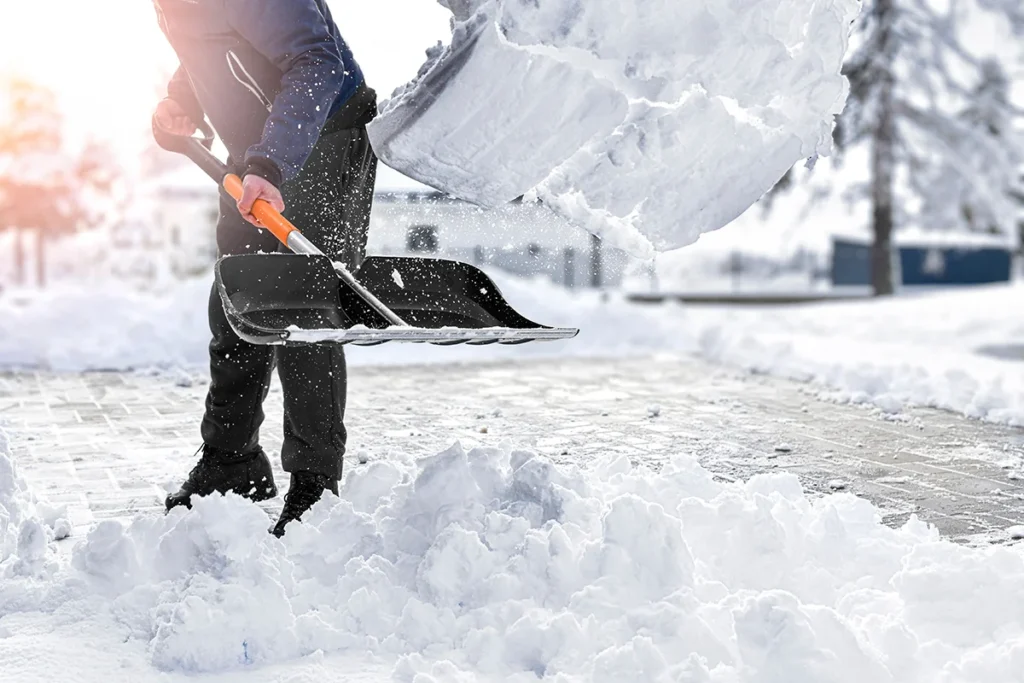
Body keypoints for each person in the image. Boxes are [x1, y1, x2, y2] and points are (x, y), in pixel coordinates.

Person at [151, 0, 377, 536]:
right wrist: (180, 103)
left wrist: (270, 162)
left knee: (302, 312)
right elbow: (214, 44)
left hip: (321, 136)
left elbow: (318, 61)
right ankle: (232, 464)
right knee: (235, 298)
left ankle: (316, 487)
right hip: (254, 152)